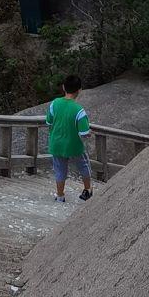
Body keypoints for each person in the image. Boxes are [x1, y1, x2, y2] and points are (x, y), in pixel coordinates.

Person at [45, 74, 93, 204]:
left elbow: (48, 122)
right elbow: (84, 133)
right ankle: (87, 190)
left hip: (57, 144)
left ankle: (60, 196)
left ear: (63, 87)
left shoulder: (54, 104)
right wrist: (89, 133)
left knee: (60, 170)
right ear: (79, 90)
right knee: (83, 165)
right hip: (74, 145)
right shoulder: (79, 110)